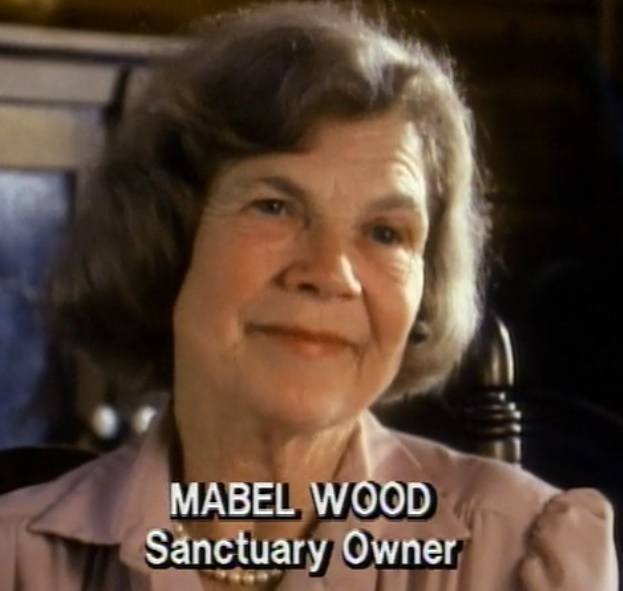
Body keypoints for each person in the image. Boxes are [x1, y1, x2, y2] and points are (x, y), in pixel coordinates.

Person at [0, 2, 617, 590]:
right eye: (274, 206)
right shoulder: (15, 559)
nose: (330, 273)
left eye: (386, 233)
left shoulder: (516, 559)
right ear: (166, 241)